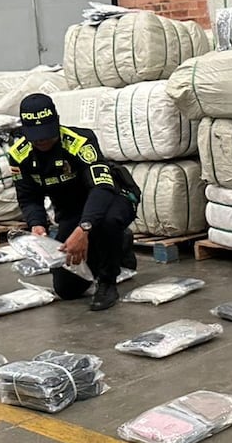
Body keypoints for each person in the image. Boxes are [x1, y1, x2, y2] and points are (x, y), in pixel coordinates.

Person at [8, 93, 139, 311]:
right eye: (36, 136)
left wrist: (84, 228)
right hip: (72, 212)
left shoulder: (80, 142)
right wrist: (37, 224)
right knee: (66, 289)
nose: (42, 141)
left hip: (112, 199)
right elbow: (29, 197)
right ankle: (117, 245)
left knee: (106, 223)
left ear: (57, 122)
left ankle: (108, 281)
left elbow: (102, 188)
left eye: (47, 134)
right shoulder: (19, 155)